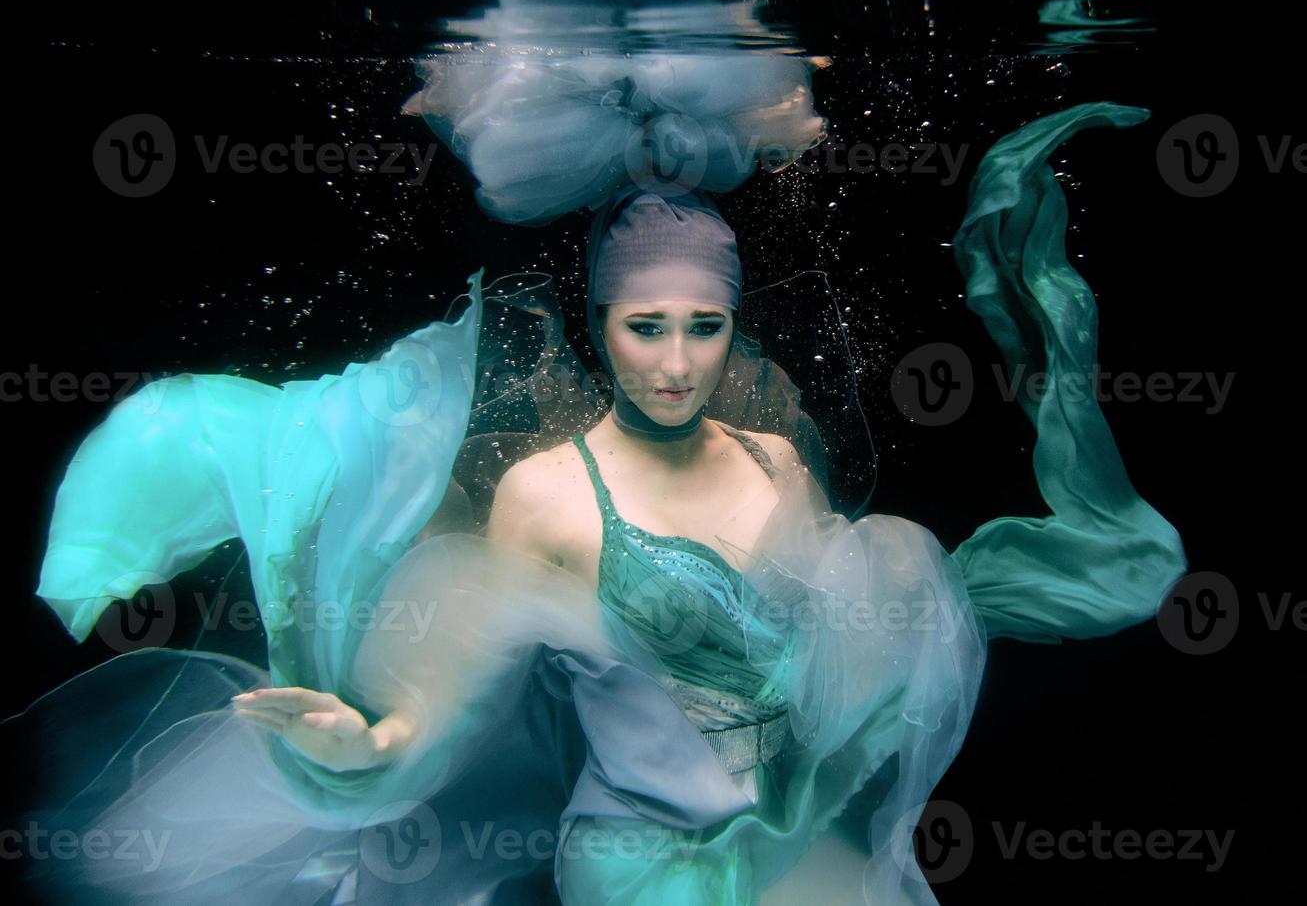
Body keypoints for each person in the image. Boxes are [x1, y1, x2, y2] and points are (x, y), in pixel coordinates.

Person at [9, 103, 1186, 906]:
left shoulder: (778, 462)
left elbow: (840, 644)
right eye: (644, 326)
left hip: (776, 834)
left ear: (732, 325)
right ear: (599, 324)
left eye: (702, 326)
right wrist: (368, 742)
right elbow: (450, 696)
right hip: (633, 851)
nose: (674, 361)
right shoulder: (542, 491)